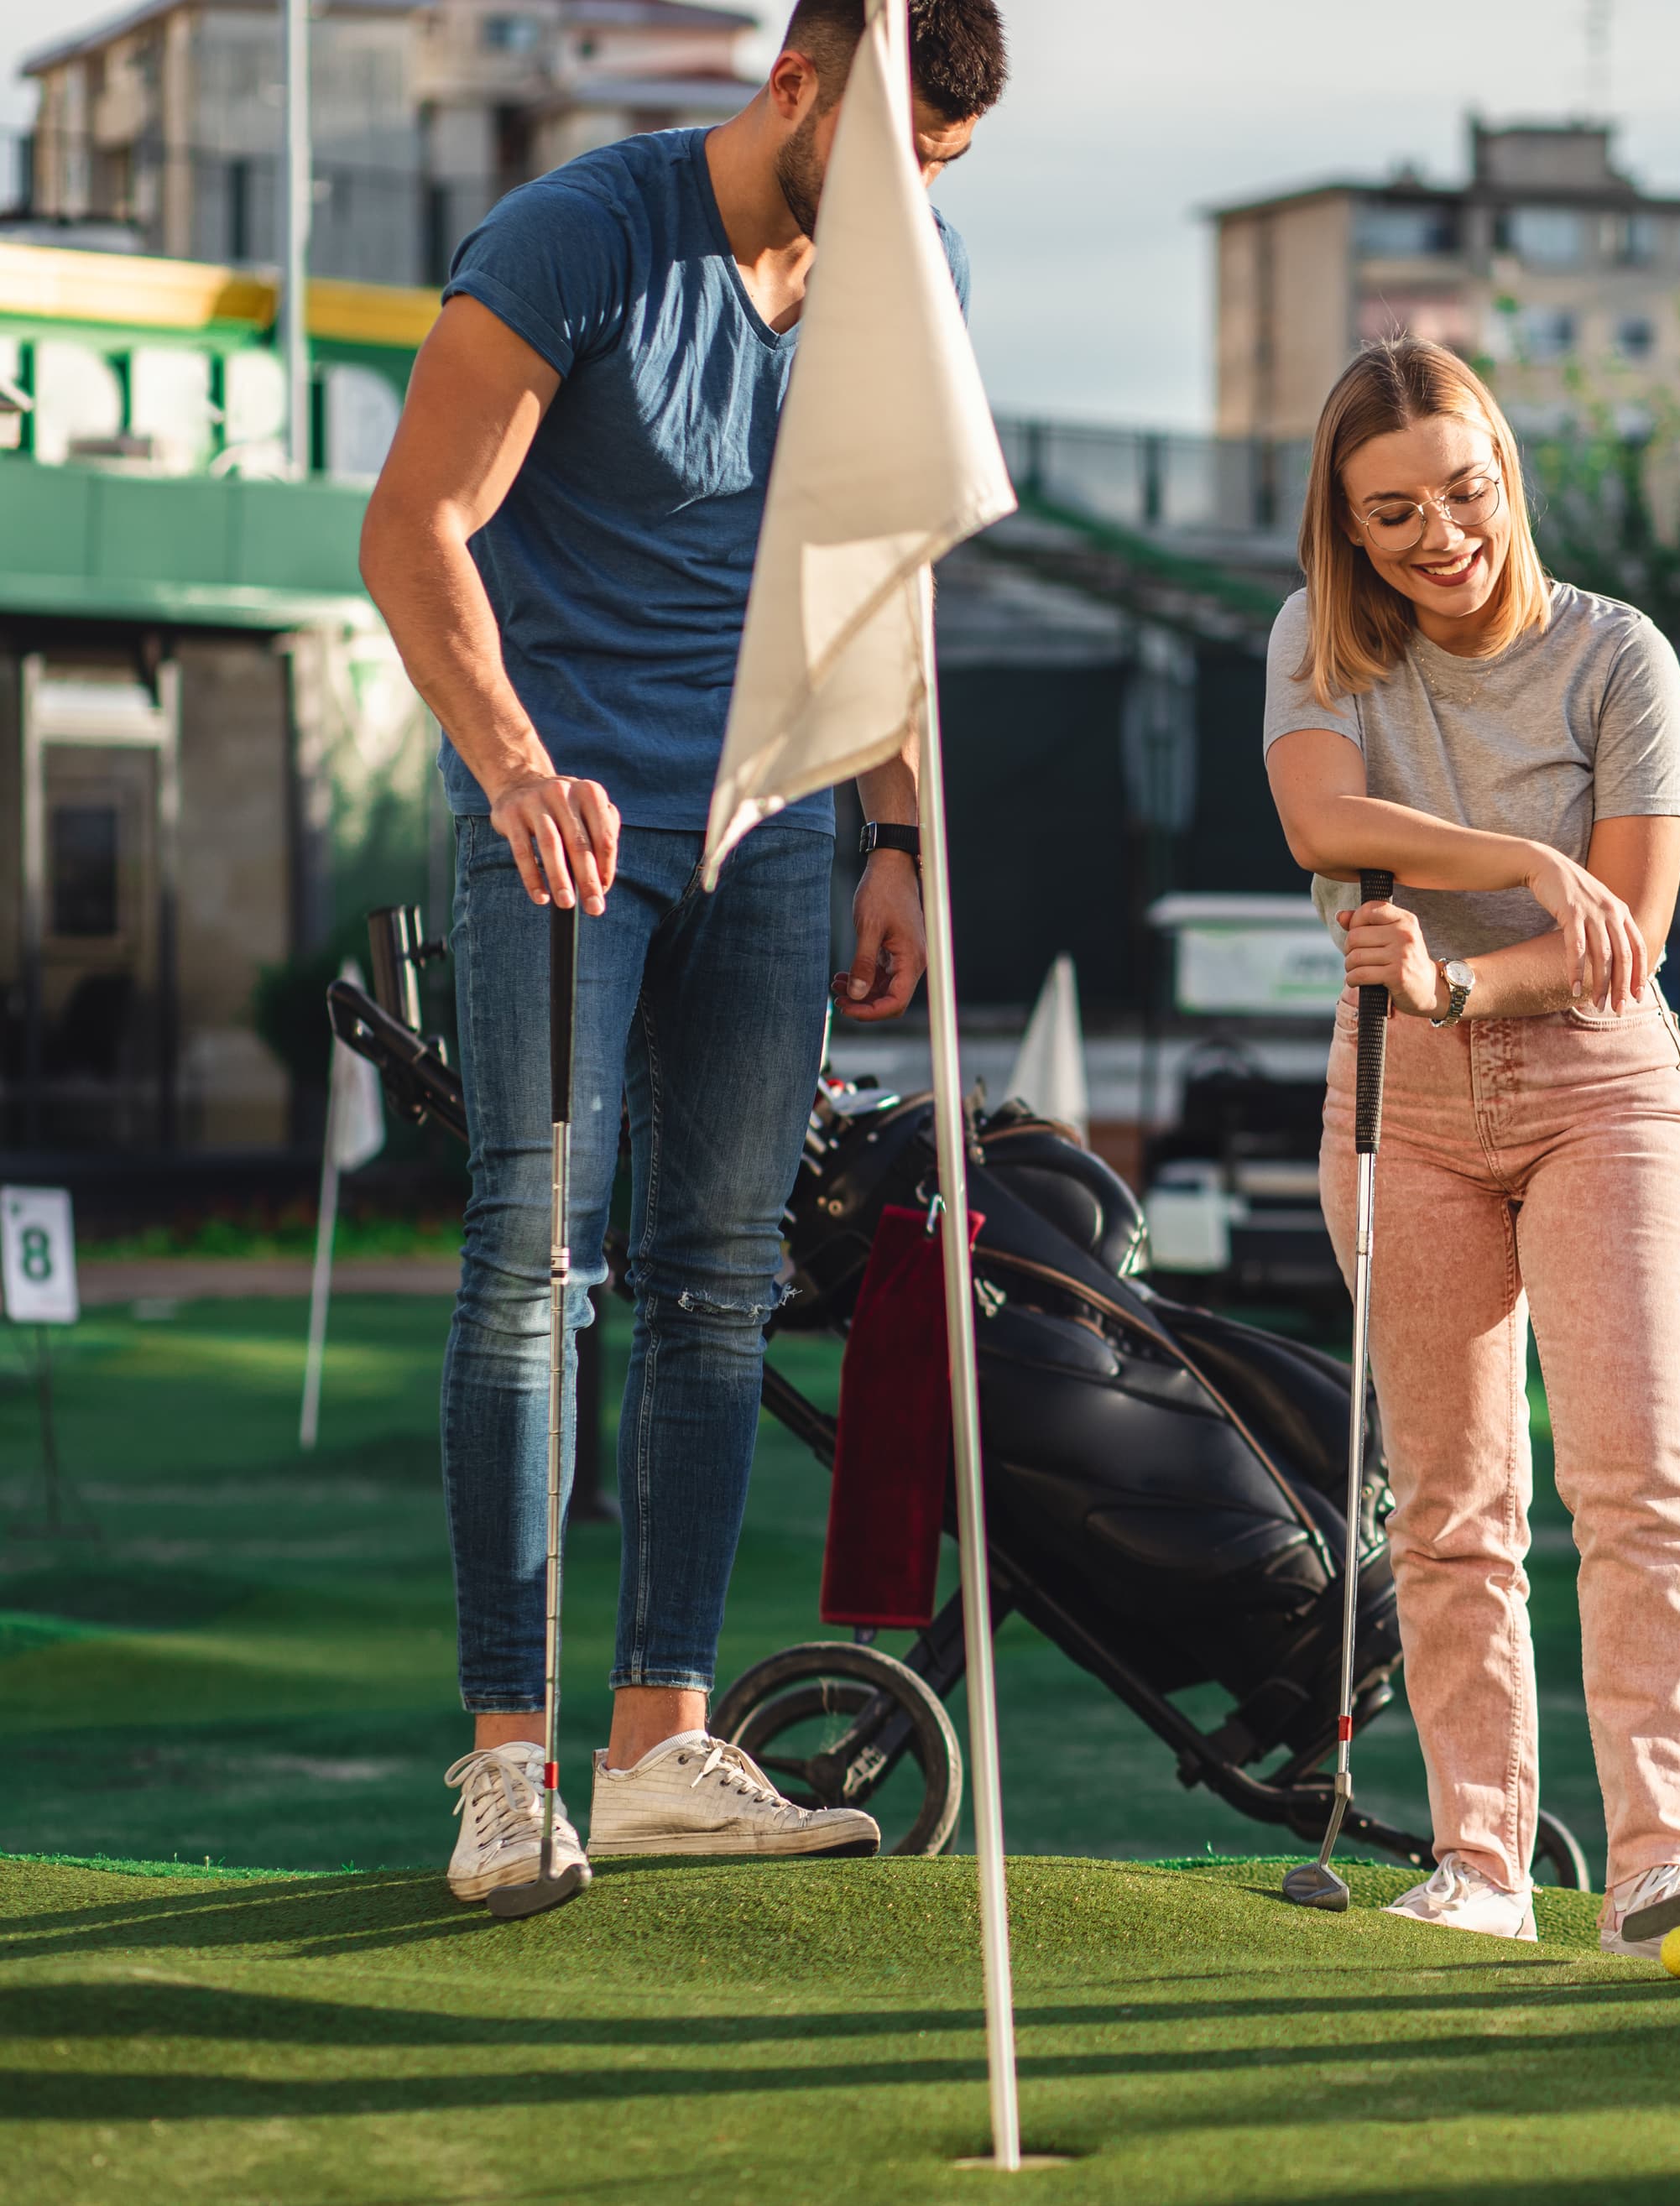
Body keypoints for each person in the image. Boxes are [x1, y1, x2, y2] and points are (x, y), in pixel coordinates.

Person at [360, 0, 1010, 1904]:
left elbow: (882, 575)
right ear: (795, 88)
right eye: (895, 162)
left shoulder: (913, 277)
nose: (917, 211)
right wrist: (513, 765)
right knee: (528, 1265)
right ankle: (507, 1763)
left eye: (943, 182)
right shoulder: (585, 237)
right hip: (561, 823)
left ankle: (659, 1742)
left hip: (784, 828)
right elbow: (416, 529)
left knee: (720, 1280)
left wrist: (893, 833)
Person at [1259, 337, 1680, 1964]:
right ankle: (1480, 1855)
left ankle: (1657, 1861)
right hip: (1400, 1101)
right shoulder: (1322, 645)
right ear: (1347, 524)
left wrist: (1467, 962)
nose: (1439, 534)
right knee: (1454, 1504)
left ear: (1507, 471)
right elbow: (1324, 824)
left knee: (1639, 1481)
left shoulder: (1622, 659)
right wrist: (1529, 864)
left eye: (1463, 491)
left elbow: (1637, 938)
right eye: (1392, 511)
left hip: (1603, 1088)